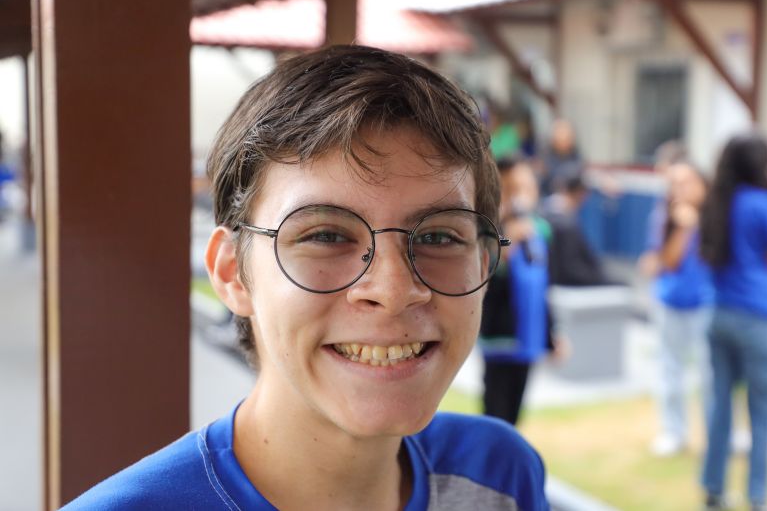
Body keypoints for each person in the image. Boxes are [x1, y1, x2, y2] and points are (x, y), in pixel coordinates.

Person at [62, 45, 549, 510]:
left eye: (440, 238)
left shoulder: (500, 477)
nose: (394, 290)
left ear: (485, 266)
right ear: (232, 272)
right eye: (325, 236)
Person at [699, 133, 767, 511]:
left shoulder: (717, 201)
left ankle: (714, 490)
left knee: (721, 405)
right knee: (761, 410)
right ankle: (757, 496)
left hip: (719, 313)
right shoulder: (764, 203)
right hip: (755, 316)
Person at [480, 157, 557, 426]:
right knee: (496, 412)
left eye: (529, 184)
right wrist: (509, 240)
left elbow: (546, 284)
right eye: (516, 186)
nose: (524, 192)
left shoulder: (540, 229)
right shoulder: (493, 227)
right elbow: (487, 261)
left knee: (515, 413)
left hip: (529, 334)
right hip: (500, 335)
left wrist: (552, 333)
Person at [644, 158, 714, 456]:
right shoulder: (664, 218)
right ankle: (674, 431)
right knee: (671, 369)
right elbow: (665, 263)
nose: (681, 189)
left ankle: (718, 432)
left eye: (688, 182)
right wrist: (684, 229)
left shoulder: (716, 217)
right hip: (671, 302)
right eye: (676, 184)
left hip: (708, 304)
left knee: (712, 372)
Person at [540, 169, 614, 286]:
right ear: (581, 194)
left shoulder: (544, 211)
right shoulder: (565, 223)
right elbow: (571, 269)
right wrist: (603, 280)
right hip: (568, 284)